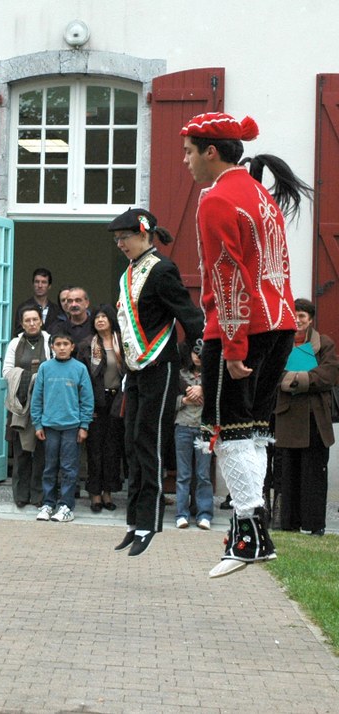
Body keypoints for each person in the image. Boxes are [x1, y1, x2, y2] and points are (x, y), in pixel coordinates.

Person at [181, 111, 312, 577]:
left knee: (230, 431)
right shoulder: (258, 192)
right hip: (276, 324)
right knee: (254, 430)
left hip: (242, 328)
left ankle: (247, 537)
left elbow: (227, 274)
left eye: (189, 152)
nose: (186, 161)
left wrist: (233, 348)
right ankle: (256, 535)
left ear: (211, 152)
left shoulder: (216, 198)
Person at [110, 208, 204, 557]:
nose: (120, 244)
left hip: (159, 366)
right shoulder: (130, 273)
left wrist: (206, 360)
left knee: (150, 442)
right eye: (117, 239)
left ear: (144, 234)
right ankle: (134, 521)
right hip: (135, 370)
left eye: (125, 238)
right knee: (132, 442)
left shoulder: (162, 270)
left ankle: (149, 522)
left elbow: (190, 316)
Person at [273, 298, 338, 537]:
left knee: (314, 474)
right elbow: (272, 373)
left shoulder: (325, 343)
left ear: (310, 319)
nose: (298, 320)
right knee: (288, 474)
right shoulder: (281, 342)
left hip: (315, 418)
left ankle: (313, 525)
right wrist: (302, 379)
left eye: (303, 316)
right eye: (295, 315)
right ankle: (289, 523)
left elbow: (329, 374)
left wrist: (297, 380)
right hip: (287, 417)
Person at [31, 330, 94, 523]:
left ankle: (66, 505)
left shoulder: (80, 369)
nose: (62, 348)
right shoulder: (45, 368)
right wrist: (37, 423)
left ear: (72, 347)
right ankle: (48, 503)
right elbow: (37, 398)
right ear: (52, 347)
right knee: (49, 467)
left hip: (72, 427)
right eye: (58, 344)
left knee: (69, 468)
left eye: (66, 344)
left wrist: (84, 425)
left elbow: (87, 399)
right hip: (49, 426)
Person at [77, 304, 125, 513]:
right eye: (97, 317)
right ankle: (95, 494)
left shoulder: (122, 343)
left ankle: (108, 492)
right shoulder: (87, 345)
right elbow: (81, 377)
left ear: (112, 319)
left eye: (104, 316)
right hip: (95, 401)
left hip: (118, 400)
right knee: (95, 450)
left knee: (112, 450)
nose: (100, 320)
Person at [3, 305, 51, 507]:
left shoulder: (49, 341)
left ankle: (39, 495)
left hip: (44, 404)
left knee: (41, 452)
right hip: (20, 404)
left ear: (41, 321)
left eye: (35, 319)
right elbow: (7, 371)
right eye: (27, 320)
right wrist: (29, 378)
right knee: (21, 451)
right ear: (22, 324)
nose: (32, 323)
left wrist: (39, 379)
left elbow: (54, 368)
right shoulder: (15, 343)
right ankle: (21, 495)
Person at [173, 342, 213, 530]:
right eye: (194, 352)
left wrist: (204, 390)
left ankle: (204, 514)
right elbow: (167, 401)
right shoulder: (180, 375)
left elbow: (219, 398)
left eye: (202, 352)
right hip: (183, 425)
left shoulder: (213, 377)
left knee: (203, 474)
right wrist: (185, 399)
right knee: (183, 474)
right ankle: (182, 514)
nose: (198, 356)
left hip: (205, 428)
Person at [13, 268, 61, 335]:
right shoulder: (23, 307)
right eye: (37, 282)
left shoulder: (56, 310)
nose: (40, 286)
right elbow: (18, 333)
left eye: (44, 282)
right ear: (33, 284)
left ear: (49, 286)